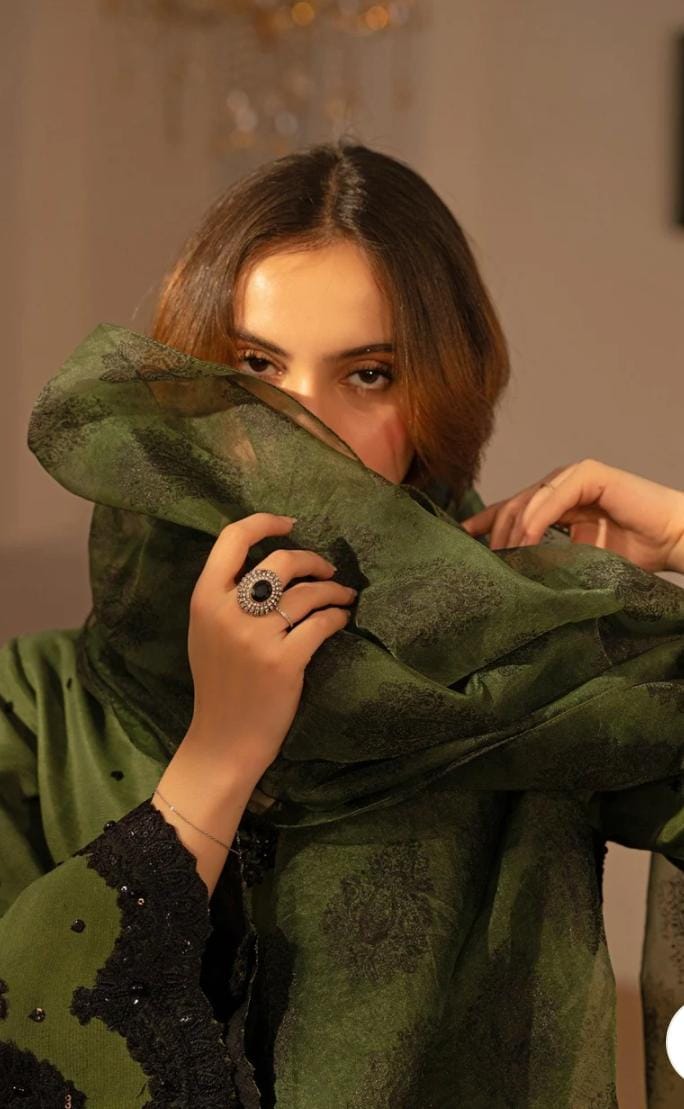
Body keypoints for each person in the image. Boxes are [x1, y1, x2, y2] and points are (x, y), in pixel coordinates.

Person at [0, 140, 682, 1108]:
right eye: (254, 365)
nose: (303, 422)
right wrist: (217, 756)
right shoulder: (32, 711)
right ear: (181, 378)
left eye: (367, 374)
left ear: (445, 391)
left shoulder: (542, 680)